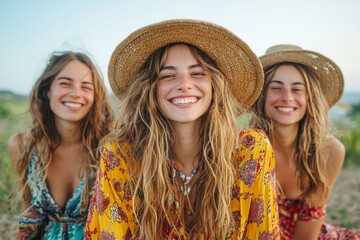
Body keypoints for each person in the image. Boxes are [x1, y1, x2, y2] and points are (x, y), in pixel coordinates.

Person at [85, 19, 280, 239]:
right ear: (149, 88)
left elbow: (263, 233)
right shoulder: (120, 156)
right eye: (167, 75)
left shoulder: (251, 151)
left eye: (197, 73)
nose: (184, 84)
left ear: (215, 85)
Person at [250, 44, 359, 239]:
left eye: (297, 89)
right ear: (261, 95)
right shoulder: (244, 148)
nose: (287, 97)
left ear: (310, 98)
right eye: (276, 88)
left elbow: (307, 230)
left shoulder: (328, 151)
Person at [8, 51, 114, 239]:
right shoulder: (22, 145)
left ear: (95, 96)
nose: (76, 93)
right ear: (47, 90)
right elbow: (29, 214)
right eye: (65, 83)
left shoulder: (110, 149)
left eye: (86, 87)